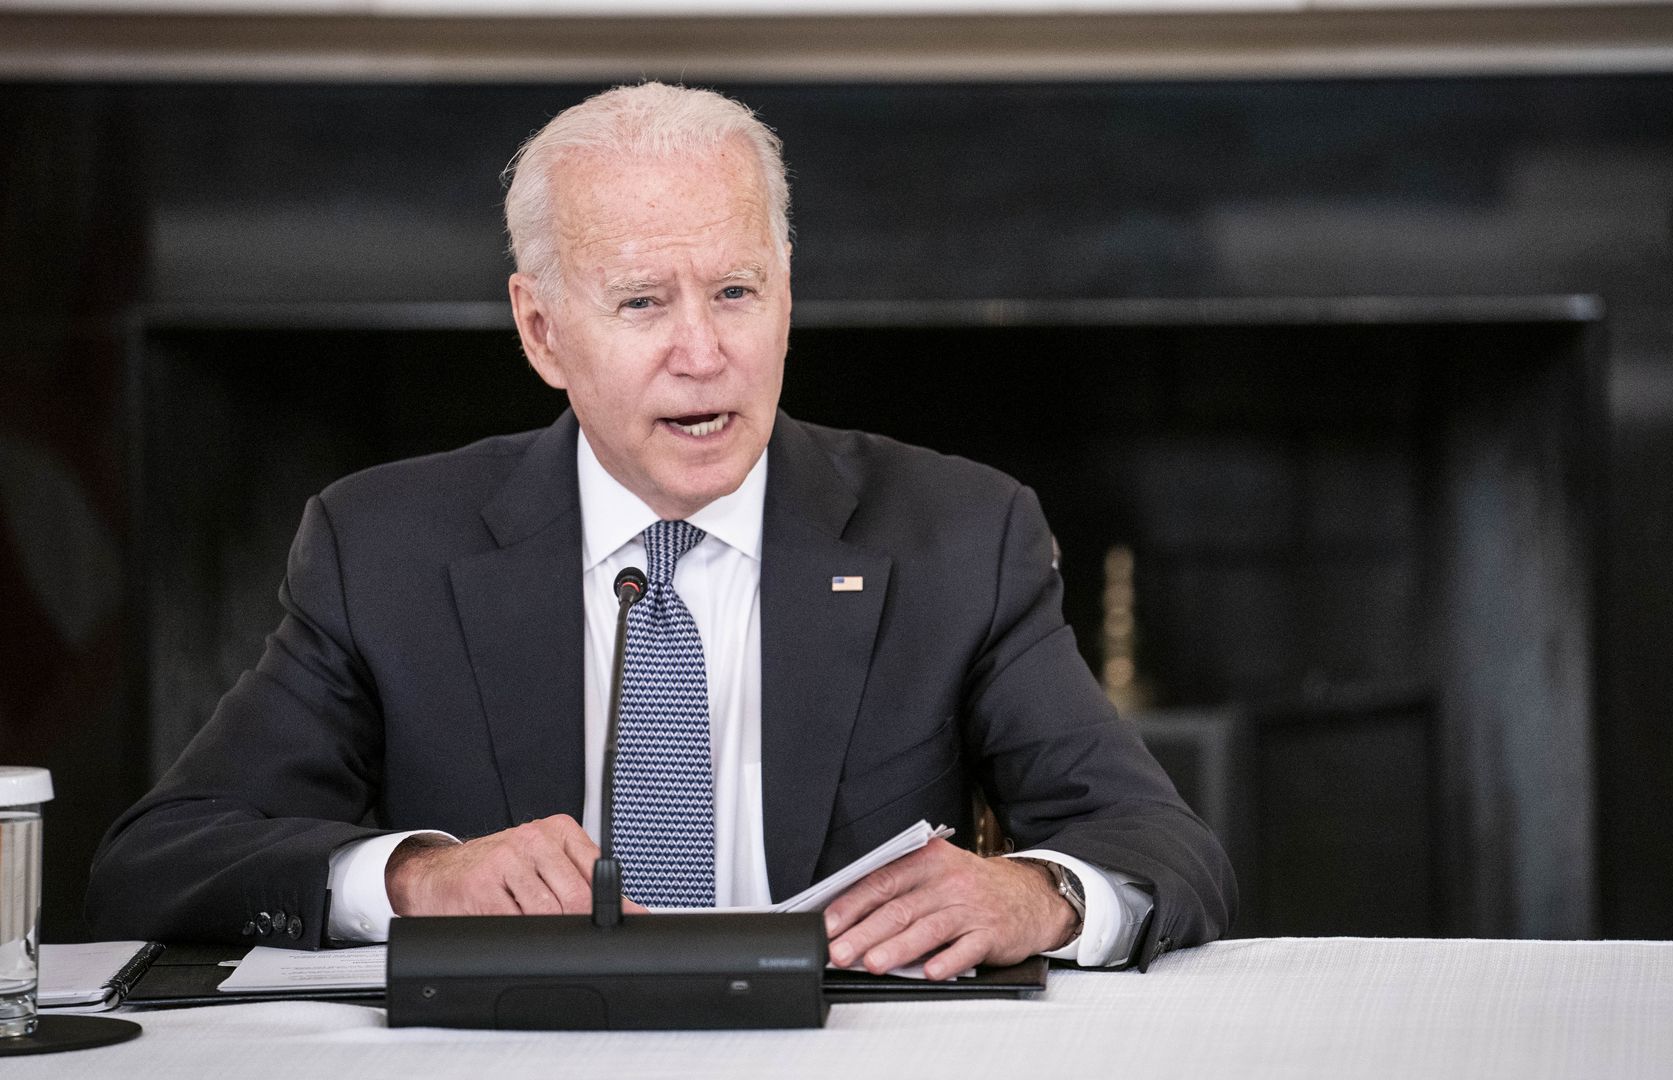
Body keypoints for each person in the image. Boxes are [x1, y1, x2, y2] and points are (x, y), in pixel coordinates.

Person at [86, 83, 1233, 978]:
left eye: (737, 292)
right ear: (541, 332)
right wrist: (415, 879)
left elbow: (1160, 843)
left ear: (787, 292)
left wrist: (1039, 894)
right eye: (642, 302)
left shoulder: (961, 533)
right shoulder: (382, 546)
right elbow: (155, 861)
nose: (704, 351)